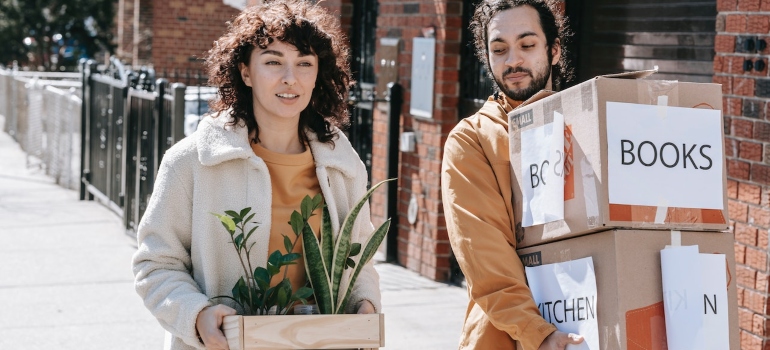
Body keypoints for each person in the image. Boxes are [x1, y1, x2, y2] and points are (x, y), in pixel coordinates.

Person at [132, 1, 380, 349]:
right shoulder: (192, 161)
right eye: (273, 61)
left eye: (304, 63)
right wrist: (197, 314)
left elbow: (359, 263)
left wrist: (365, 304)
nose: (290, 78)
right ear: (246, 72)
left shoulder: (343, 165)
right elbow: (156, 264)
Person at [441, 1, 584, 349]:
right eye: (499, 49)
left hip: (591, 325)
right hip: (505, 336)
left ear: (553, 50)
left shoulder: (586, 125)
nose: (513, 60)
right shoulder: (471, 138)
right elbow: (485, 255)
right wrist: (538, 332)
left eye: (527, 44)